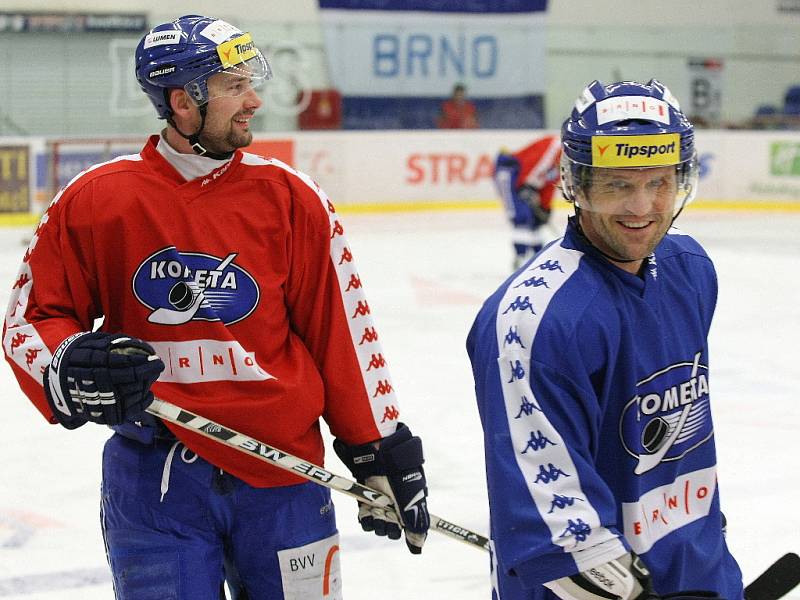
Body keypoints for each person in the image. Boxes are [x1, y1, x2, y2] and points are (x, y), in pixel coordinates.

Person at [2, 14, 429, 599]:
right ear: (183, 101)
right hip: (155, 479)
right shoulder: (98, 199)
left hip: (284, 474)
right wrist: (68, 363)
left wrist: (376, 446)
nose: (254, 99)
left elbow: (342, 334)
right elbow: (31, 318)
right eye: (235, 85)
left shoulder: (292, 199)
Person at [467, 79, 743, 599]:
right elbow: (549, 516)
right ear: (578, 184)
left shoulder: (690, 269)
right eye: (618, 184)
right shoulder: (536, 320)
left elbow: (681, 455)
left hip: (699, 576)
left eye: (660, 182)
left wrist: (707, 563)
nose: (643, 207)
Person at [493, 135, 562, 269]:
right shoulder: (555, 145)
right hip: (511, 172)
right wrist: (524, 184)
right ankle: (521, 256)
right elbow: (536, 162)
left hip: (527, 181)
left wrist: (545, 207)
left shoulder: (564, 163)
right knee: (522, 217)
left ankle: (538, 256)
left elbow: (549, 185)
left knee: (536, 220)